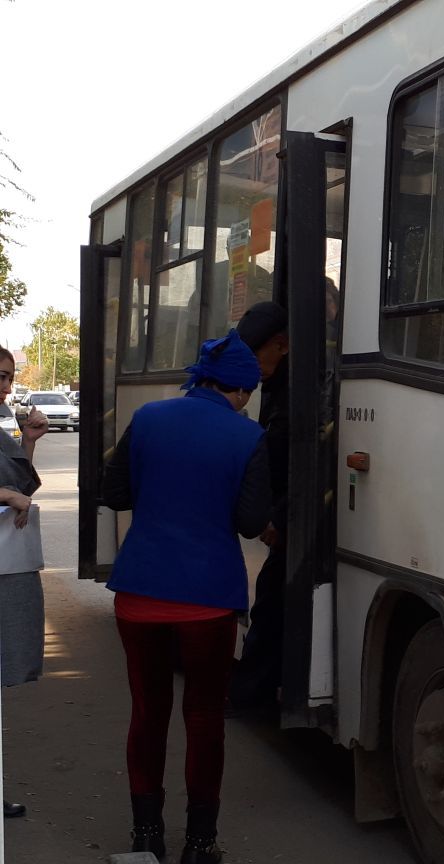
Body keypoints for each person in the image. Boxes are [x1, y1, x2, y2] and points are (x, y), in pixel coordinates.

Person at [102, 330, 271, 863]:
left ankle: (145, 837)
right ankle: (200, 844)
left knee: (148, 712)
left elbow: (113, 491)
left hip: (139, 594)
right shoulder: (248, 436)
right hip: (207, 601)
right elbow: (249, 523)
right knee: (203, 718)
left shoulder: (148, 418)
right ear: (241, 391)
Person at [230, 301, 290, 712]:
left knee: (271, 597)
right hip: (281, 512)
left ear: (282, 345)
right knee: (270, 597)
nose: (249, 365)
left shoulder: (305, 385)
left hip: (293, 514)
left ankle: (250, 694)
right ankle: (252, 691)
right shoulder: (276, 384)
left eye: (255, 354)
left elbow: (307, 458)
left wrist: (279, 516)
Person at [0, 346, 48, 819]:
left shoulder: (1, 432)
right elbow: (10, 491)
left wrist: (29, 440)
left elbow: (22, 486)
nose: (7, 388)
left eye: (10, 378)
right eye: (0, 376)